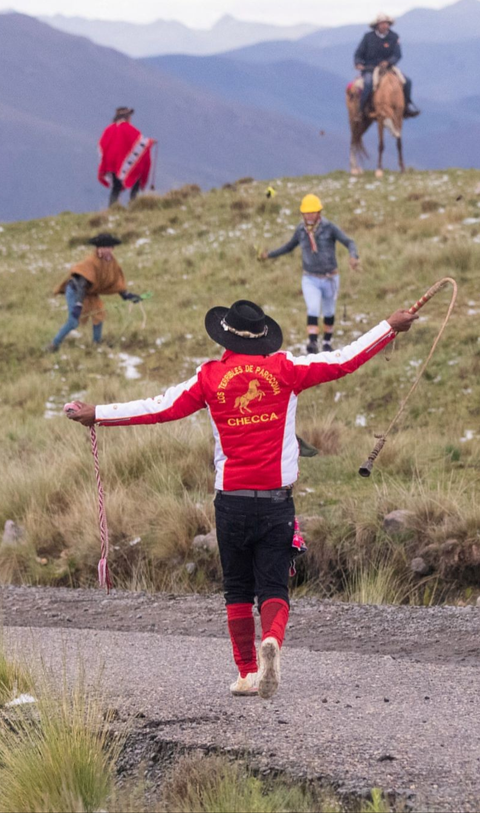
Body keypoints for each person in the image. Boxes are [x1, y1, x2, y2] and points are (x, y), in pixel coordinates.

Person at [65, 298, 417, 699]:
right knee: (273, 587)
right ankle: (272, 640)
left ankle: (247, 673)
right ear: (263, 335)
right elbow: (344, 359)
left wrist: (99, 414)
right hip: (275, 501)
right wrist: (389, 326)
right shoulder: (286, 369)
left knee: (236, 589)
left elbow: (160, 408)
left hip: (230, 500)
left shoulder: (210, 377)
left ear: (225, 336)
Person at [261, 194, 359, 354]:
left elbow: (349, 242)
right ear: (302, 214)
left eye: (312, 212)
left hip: (330, 278)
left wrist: (353, 256)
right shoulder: (300, 231)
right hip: (310, 278)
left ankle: (327, 342)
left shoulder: (329, 227)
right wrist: (269, 255)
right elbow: (289, 247)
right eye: (306, 213)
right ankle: (312, 343)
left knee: (329, 311)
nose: (309, 216)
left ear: (319, 212)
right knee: (313, 308)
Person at [47, 233, 142, 351]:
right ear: (98, 248)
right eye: (104, 247)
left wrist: (127, 295)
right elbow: (81, 284)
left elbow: (116, 281)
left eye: (110, 247)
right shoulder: (90, 262)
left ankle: (96, 343)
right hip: (75, 291)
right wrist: (78, 304)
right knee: (73, 322)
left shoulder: (112, 262)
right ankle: (53, 345)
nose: (108, 250)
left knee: (99, 314)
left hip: (90, 293)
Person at [354, 14, 419, 118]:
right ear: (377, 25)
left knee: (407, 82)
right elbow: (359, 52)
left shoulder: (394, 37)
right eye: (382, 23)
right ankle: (361, 110)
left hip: (388, 68)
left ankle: (406, 107)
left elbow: (397, 54)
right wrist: (358, 63)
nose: (385, 25)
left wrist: (389, 62)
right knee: (368, 84)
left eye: (386, 23)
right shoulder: (368, 37)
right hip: (370, 68)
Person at [98, 107, 154, 207]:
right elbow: (140, 145)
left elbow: (102, 145)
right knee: (136, 180)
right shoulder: (130, 129)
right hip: (123, 163)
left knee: (116, 187)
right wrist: (150, 142)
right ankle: (133, 204)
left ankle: (112, 208)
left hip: (111, 164)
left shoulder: (108, 130)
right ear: (127, 117)